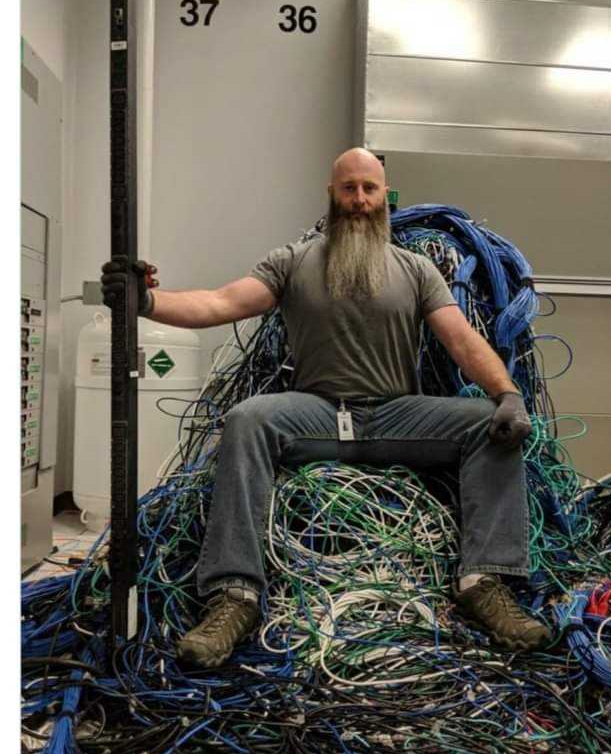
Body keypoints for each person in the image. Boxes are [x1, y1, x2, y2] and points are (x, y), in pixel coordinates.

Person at [102, 148, 551, 666]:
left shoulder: (417, 269)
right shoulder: (292, 261)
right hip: (315, 413)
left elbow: (461, 341)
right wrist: (147, 302)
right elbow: (220, 303)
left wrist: (508, 396)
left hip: (395, 416)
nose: (359, 199)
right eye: (349, 189)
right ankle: (234, 596)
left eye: (369, 189)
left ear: (386, 197)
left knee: (485, 424)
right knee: (249, 418)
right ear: (332, 195)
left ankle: (484, 583)